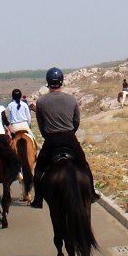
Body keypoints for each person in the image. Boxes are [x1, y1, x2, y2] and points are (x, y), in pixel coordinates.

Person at [30, 67, 98, 209]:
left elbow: (41, 125)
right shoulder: (71, 99)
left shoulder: (41, 102)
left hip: (51, 140)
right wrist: (71, 132)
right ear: (61, 82)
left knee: (39, 169)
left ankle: (37, 199)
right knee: (84, 164)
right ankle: (91, 193)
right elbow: (76, 121)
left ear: (48, 82)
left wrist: (48, 136)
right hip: (69, 138)